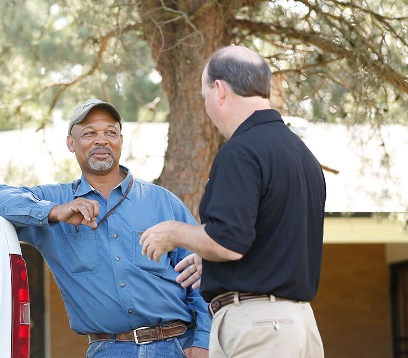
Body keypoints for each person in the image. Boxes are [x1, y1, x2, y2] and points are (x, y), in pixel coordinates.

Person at [0, 98, 211, 357]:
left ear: (121, 140)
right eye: (89, 133)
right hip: (108, 349)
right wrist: (54, 212)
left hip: (176, 345)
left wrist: (204, 340)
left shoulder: (162, 202)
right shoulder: (56, 202)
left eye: (110, 132)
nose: (101, 140)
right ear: (71, 143)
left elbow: (200, 275)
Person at [139, 46, 326, 358]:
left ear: (220, 90)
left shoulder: (241, 151)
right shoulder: (302, 155)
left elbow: (228, 242)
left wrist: (173, 232)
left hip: (259, 329)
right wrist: (211, 259)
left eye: (204, 95)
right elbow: (274, 237)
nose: (206, 105)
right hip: (299, 326)